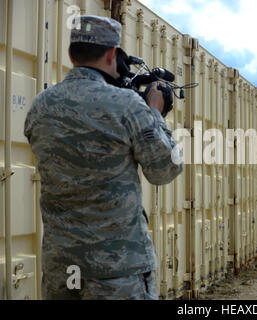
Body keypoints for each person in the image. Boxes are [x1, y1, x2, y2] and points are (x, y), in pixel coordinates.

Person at [24, 15, 183, 300]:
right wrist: (154, 114)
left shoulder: (40, 106)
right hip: (117, 272)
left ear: (71, 55)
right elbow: (164, 170)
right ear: (112, 54)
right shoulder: (127, 105)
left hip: (63, 270)